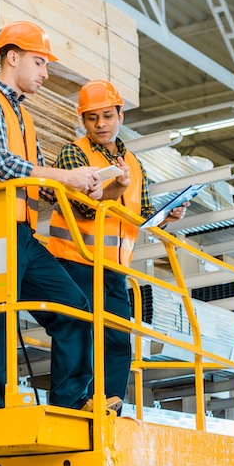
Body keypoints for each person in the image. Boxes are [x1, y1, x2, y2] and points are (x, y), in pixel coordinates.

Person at [0, 21, 104, 412]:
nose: (45, 73)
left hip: (20, 233)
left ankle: (70, 402)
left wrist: (75, 186)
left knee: (74, 308)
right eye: (39, 62)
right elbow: (2, 165)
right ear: (11, 57)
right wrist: (65, 174)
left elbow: (38, 181)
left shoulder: (24, 119)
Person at [48, 79, 188, 412]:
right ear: (83, 120)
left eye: (107, 116)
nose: (100, 124)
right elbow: (83, 206)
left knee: (116, 340)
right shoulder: (74, 153)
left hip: (114, 269)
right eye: (92, 117)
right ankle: (73, 405)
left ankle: (109, 404)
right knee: (78, 334)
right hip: (77, 262)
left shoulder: (135, 165)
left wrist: (167, 215)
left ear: (120, 116)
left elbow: (140, 214)